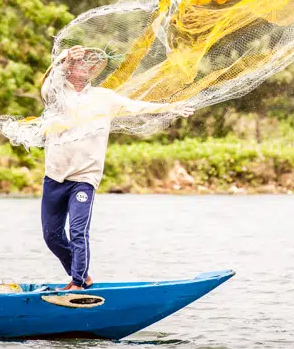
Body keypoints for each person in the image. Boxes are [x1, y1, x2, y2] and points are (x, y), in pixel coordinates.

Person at [33, 46, 193, 291]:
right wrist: (65, 61)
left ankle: (77, 283)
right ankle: (83, 276)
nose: (83, 66)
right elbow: (50, 85)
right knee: (51, 236)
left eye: (86, 63)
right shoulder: (55, 95)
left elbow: (137, 106)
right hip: (55, 176)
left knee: (78, 231)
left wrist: (171, 108)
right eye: (77, 62)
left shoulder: (104, 97)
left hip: (84, 178)